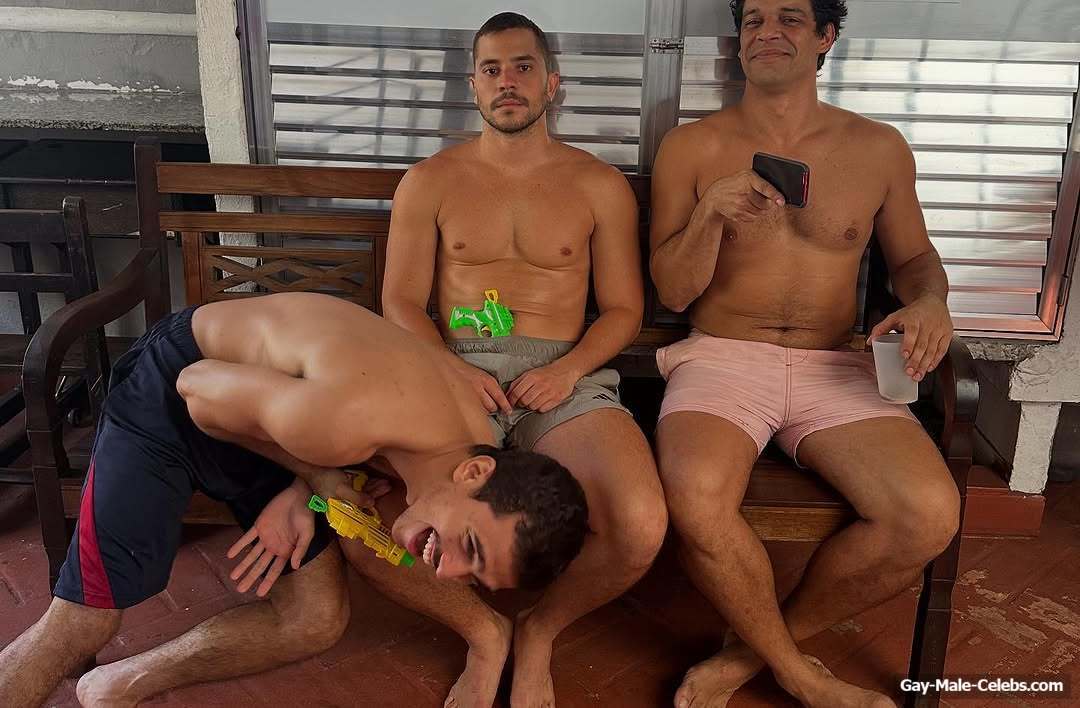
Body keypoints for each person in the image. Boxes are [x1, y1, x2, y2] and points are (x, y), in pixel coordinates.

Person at [0, 292, 588, 708]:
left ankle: (118, 685)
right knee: (86, 622)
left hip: (269, 411)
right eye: (471, 547)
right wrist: (319, 476)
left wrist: (303, 488)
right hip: (176, 389)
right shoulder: (342, 425)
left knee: (314, 620)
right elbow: (195, 387)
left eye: (474, 575)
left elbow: (329, 433)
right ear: (476, 473)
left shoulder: (471, 442)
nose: (446, 571)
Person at [649, 0, 960, 706]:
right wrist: (710, 214)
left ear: (825, 37)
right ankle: (797, 673)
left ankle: (748, 659)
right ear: (738, 40)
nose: (766, 32)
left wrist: (930, 302)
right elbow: (672, 290)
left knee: (927, 516)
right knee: (695, 498)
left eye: (789, 18)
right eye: (753, 19)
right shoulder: (690, 148)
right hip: (723, 357)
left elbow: (915, 261)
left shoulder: (878, 149)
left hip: (836, 363)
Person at [356, 11, 668, 708]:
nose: (507, 82)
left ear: (552, 83)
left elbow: (624, 309)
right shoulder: (430, 181)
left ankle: (540, 631)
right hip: (452, 370)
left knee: (640, 524)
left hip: (564, 374)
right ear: (473, 85)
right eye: (491, 69)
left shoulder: (598, 184)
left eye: (523, 67)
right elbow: (400, 301)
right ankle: (483, 633)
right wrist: (450, 369)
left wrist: (568, 370)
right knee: (361, 519)